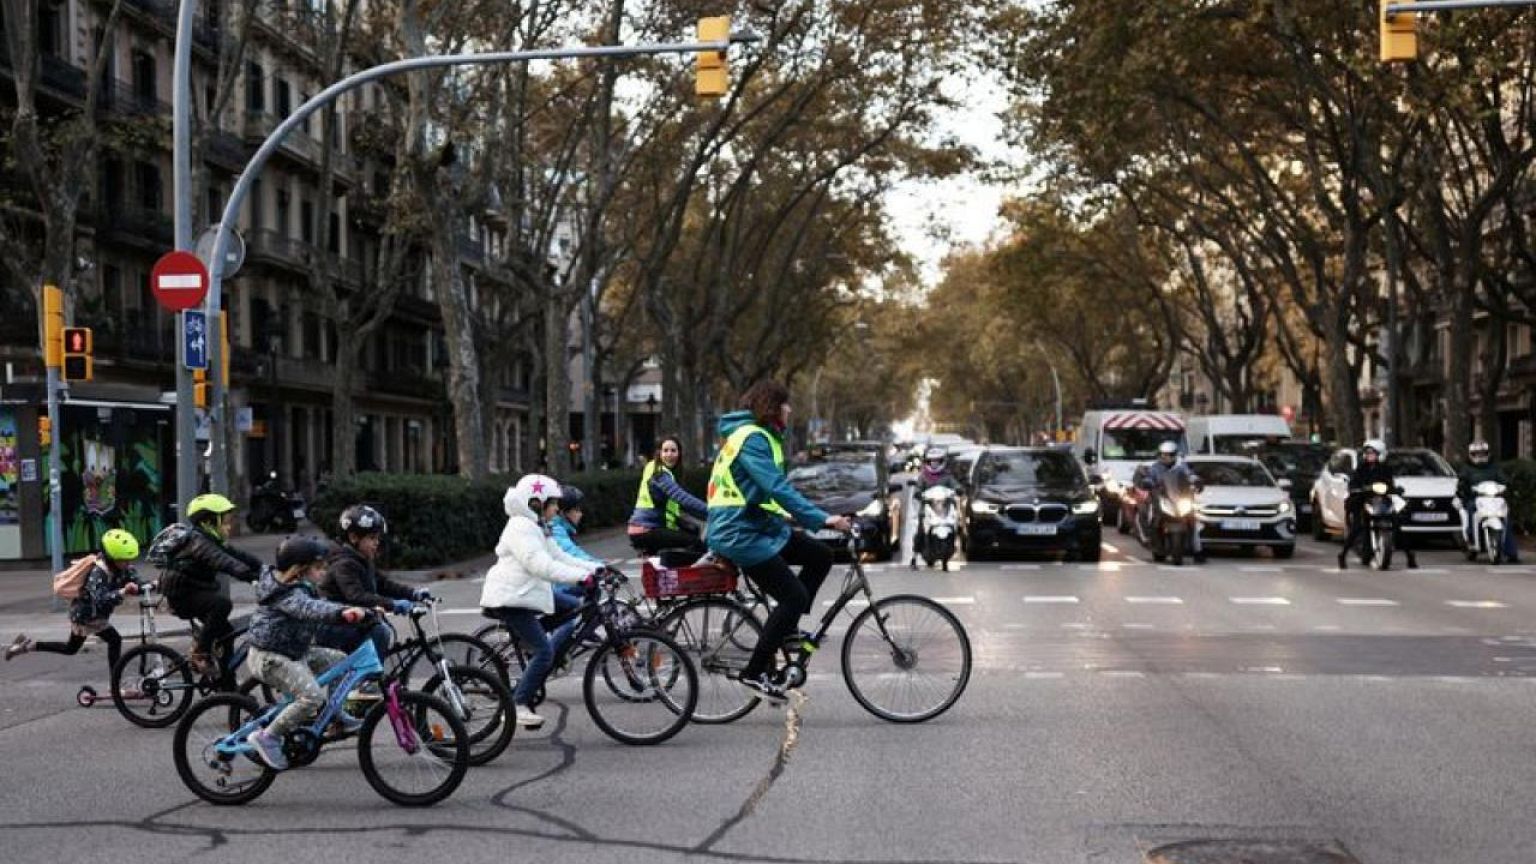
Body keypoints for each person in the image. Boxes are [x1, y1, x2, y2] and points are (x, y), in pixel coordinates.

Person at [707, 380, 853, 704]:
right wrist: (821, 518)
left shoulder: (760, 436)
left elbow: (762, 492)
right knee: (793, 595)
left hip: (758, 525)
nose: (790, 410)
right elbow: (775, 487)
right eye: (786, 404)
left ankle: (786, 631)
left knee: (820, 555)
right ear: (773, 406)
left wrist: (797, 519)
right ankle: (754, 672)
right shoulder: (751, 439)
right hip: (738, 532)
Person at [479, 474, 602, 730]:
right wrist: (582, 578)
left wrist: (597, 569)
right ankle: (518, 704)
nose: (557, 508)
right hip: (511, 597)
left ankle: (531, 644)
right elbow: (541, 565)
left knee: (570, 606)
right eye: (553, 503)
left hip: (527, 592)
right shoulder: (521, 527)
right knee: (545, 651)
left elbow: (558, 556)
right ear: (536, 503)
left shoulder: (537, 525)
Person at [243, 536, 371, 771]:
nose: (324, 572)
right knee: (312, 698)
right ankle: (267, 737)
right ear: (300, 570)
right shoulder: (286, 593)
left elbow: (322, 605)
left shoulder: (303, 587)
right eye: (319, 567)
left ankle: (335, 716)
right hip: (271, 657)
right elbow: (311, 608)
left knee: (342, 663)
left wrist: (362, 610)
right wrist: (345, 613)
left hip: (294, 652)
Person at [6, 529, 148, 669]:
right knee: (115, 640)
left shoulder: (125, 568)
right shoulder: (98, 572)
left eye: (130, 559)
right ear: (111, 558)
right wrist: (123, 591)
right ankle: (115, 685)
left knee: (70, 648)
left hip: (94, 614)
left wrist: (155, 584)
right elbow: (100, 598)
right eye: (123, 560)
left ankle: (26, 646)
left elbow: (138, 584)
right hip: (87, 616)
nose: (128, 563)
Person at [156, 493, 264, 675]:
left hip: (194, 591)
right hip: (182, 596)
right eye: (225, 521)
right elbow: (224, 562)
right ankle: (200, 652)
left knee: (226, 634)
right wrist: (250, 577)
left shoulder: (212, 540)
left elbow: (239, 556)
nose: (229, 526)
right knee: (222, 605)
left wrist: (268, 570)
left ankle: (227, 685)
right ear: (208, 522)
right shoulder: (198, 541)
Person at [315, 504, 431, 657]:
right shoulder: (343, 563)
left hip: (351, 622)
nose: (377, 542)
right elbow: (356, 596)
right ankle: (368, 678)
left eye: (377, 538)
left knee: (380, 629)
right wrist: (393, 604)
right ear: (353, 537)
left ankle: (370, 673)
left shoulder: (362, 559)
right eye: (371, 538)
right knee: (380, 631)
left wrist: (413, 594)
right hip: (333, 626)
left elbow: (383, 584)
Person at [1338, 439, 1418, 570]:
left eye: (1373, 453)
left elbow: (1390, 483)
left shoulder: (1385, 468)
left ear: (1380, 454)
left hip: (1382, 500)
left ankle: (1410, 556)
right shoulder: (1361, 468)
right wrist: (1356, 489)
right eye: (1368, 453)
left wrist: (1395, 490)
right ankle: (1342, 555)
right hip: (1363, 499)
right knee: (1357, 526)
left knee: (1397, 525)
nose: (1369, 456)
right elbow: (1353, 483)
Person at [628, 436, 709, 555]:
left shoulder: (658, 469)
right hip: (646, 529)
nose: (669, 454)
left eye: (673, 450)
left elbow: (683, 505)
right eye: (665, 450)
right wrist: (711, 511)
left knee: (693, 530)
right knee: (695, 544)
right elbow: (681, 497)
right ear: (659, 453)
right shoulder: (659, 474)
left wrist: (703, 515)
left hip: (647, 527)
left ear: (679, 454)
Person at [1139, 441, 1206, 564]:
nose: (1166, 457)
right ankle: (1151, 540)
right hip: (1162, 498)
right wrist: (1148, 482)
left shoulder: (1181, 467)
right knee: (1151, 516)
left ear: (1175, 455)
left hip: (1178, 499)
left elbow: (1189, 475)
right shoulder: (1155, 468)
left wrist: (1196, 481)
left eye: (1170, 455)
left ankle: (1198, 550)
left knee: (1193, 521)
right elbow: (1149, 478)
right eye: (1164, 455)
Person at [1458, 440, 1520, 563]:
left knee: (1505, 516)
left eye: (1482, 453)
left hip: (1494, 498)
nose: (1480, 457)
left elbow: (1503, 478)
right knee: (1471, 508)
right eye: (1476, 454)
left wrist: (1507, 484)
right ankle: (1471, 539)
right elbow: (1462, 481)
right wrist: (1462, 486)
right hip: (1475, 498)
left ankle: (1511, 551)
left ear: (1488, 454)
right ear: (1471, 455)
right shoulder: (1467, 469)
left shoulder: (1495, 467)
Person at [910, 447, 965, 569]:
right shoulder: (923, 476)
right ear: (927, 462)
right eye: (931, 461)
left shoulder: (947, 476)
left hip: (944, 508)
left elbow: (955, 484)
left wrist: (958, 489)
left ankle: (956, 545)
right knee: (920, 529)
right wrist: (919, 493)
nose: (934, 464)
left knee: (958, 523)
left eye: (937, 461)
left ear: (942, 462)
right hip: (928, 507)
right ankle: (914, 556)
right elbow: (917, 489)